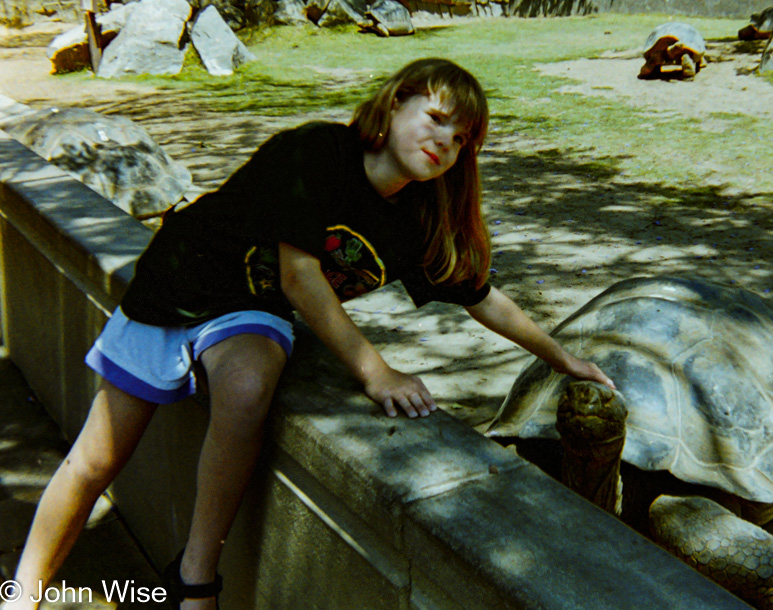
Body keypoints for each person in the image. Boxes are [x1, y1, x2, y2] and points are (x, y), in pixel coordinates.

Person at [3, 58, 614, 610]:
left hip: (249, 310)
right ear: (395, 102)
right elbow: (300, 276)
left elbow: (482, 297)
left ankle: (194, 581)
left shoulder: (417, 220)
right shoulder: (318, 154)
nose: (444, 143)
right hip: (175, 285)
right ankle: (24, 590)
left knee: (246, 388)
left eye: (459, 141)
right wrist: (377, 373)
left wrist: (563, 359)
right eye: (434, 119)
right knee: (96, 460)